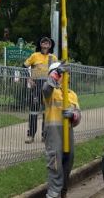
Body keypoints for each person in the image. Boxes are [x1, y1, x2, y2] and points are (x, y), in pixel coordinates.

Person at [43, 62, 81, 198]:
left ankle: (63, 193)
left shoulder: (72, 95)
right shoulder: (50, 92)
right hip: (54, 134)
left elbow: (78, 116)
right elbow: (46, 88)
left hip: (68, 133)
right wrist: (56, 72)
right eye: (61, 73)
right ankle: (53, 195)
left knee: (67, 163)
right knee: (55, 164)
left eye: (65, 73)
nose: (64, 76)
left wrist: (73, 115)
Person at [24, 36, 58, 143]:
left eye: (47, 42)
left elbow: (57, 72)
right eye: (43, 42)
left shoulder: (53, 58)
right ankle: (31, 135)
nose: (45, 44)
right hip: (36, 85)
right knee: (34, 110)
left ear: (50, 45)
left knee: (46, 111)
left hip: (48, 85)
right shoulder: (35, 56)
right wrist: (29, 79)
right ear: (40, 44)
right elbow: (24, 66)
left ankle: (45, 135)